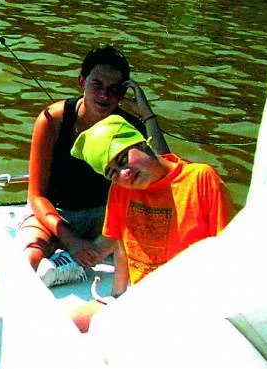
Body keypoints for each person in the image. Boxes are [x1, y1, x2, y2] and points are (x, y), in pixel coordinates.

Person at [17, 45, 170, 286]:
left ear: (123, 93)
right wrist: (72, 241)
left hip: (106, 218)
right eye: (97, 85)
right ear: (82, 82)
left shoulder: (128, 127)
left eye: (114, 89)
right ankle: (69, 259)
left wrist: (147, 115)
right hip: (55, 215)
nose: (104, 96)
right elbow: (36, 196)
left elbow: (166, 169)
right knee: (28, 260)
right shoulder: (53, 120)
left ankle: (71, 264)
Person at [68, 114, 236, 330]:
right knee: (63, 326)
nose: (124, 174)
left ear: (142, 143)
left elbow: (227, 253)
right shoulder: (120, 191)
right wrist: (117, 295)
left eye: (122, 159)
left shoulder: (201, 179)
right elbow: (121, 244)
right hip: (140, 301)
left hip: (191, 305)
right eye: (112, 173)